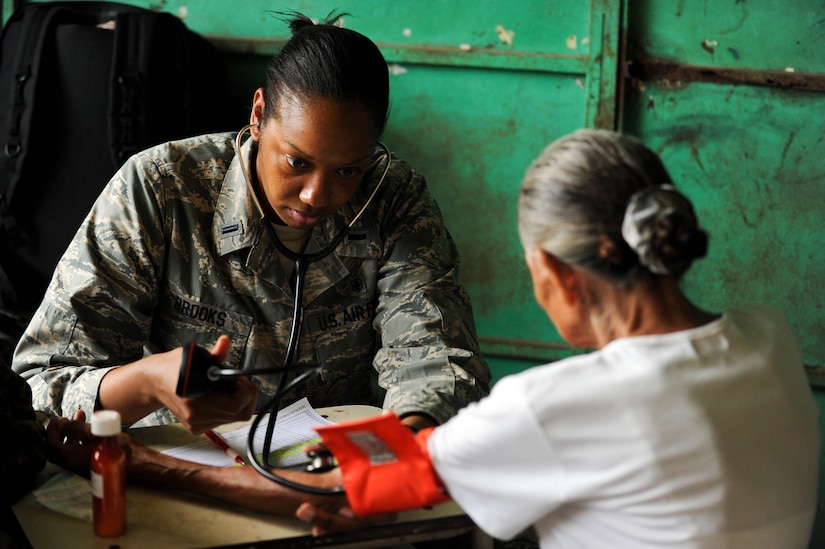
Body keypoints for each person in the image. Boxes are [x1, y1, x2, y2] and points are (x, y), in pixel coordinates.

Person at [295, 129, 821, 548]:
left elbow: (374, 477)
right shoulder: (768, 334)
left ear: (554, 272)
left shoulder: (557, 403)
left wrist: (212, 478)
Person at [11, 12, 490, 437]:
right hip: (178, 469)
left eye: (348, 170)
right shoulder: (159, 188)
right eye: (297, 162)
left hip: (327, 468)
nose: (316, 196)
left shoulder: (394, 199)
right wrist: (149, 383)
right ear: (259, 114)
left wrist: (406, 442)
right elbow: (42, 381)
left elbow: (437, 359)